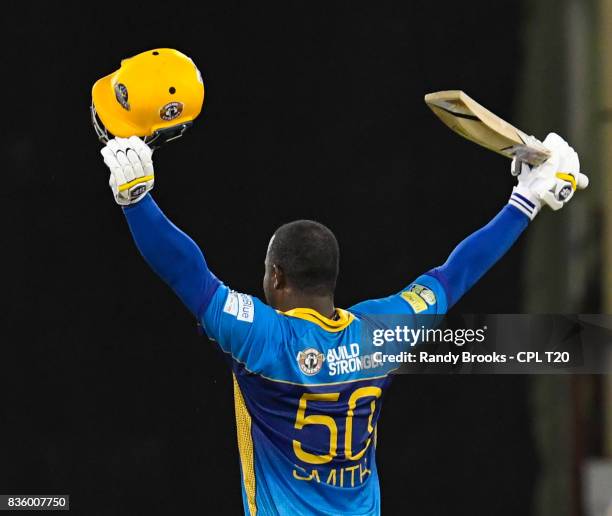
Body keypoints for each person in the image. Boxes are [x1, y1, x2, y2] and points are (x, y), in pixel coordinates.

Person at [93, 49, 589, 516]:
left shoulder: (263, 342)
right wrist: (526, 201)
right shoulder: (381, 334)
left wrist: (137, 201)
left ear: (275, 276)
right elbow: (455, 273)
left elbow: (187, 274)